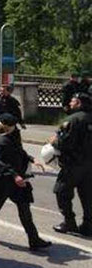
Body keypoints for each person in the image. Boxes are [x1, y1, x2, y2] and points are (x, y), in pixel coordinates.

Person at [0, 114, 51, 250]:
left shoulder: (14, 135)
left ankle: (34, 239)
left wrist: (32, 159)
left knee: (25, 208)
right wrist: (15, 176)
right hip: (3, 180)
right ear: (6, 126)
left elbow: (19, 151)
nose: (15, 128)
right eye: (12, 126)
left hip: (19, 180)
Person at [50, 91, 92, 235]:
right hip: (89, 165)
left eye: (73, 101)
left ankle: (69, 223)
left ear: (79, 103)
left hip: (73, 164)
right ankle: (88, 225)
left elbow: (65, 143)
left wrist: (54, 141)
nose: (70, 103)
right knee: (87, 195)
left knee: (61, 191)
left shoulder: (73, 120)